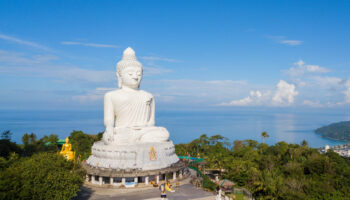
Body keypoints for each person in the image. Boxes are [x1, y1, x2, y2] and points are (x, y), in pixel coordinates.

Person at [102, 47, 170, 145]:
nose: (135, 77)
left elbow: (151, 122)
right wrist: (109, 128)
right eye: (130, 74)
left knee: (164, 133)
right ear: (119, 75)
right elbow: (109, 119)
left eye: (139, 74)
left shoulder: (148, 96)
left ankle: (137, 140)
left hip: (144, 131)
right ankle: (138, 141)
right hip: (122, 132)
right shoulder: (111, 95)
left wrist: (143, 131)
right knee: (110, 139)